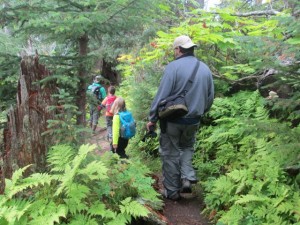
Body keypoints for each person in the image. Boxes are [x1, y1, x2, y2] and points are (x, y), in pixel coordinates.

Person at [146, 35, 214, 201]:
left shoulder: (173, 67)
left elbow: (162, 95)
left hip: (172, 120)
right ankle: (187, 177)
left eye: (174, 49)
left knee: (170, 154)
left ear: (178, 49)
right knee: (187, 148)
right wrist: (199, 112)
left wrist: (152, 118)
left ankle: (172, 191)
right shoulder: (204, 68)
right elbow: (210, 97)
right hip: (194, 120)